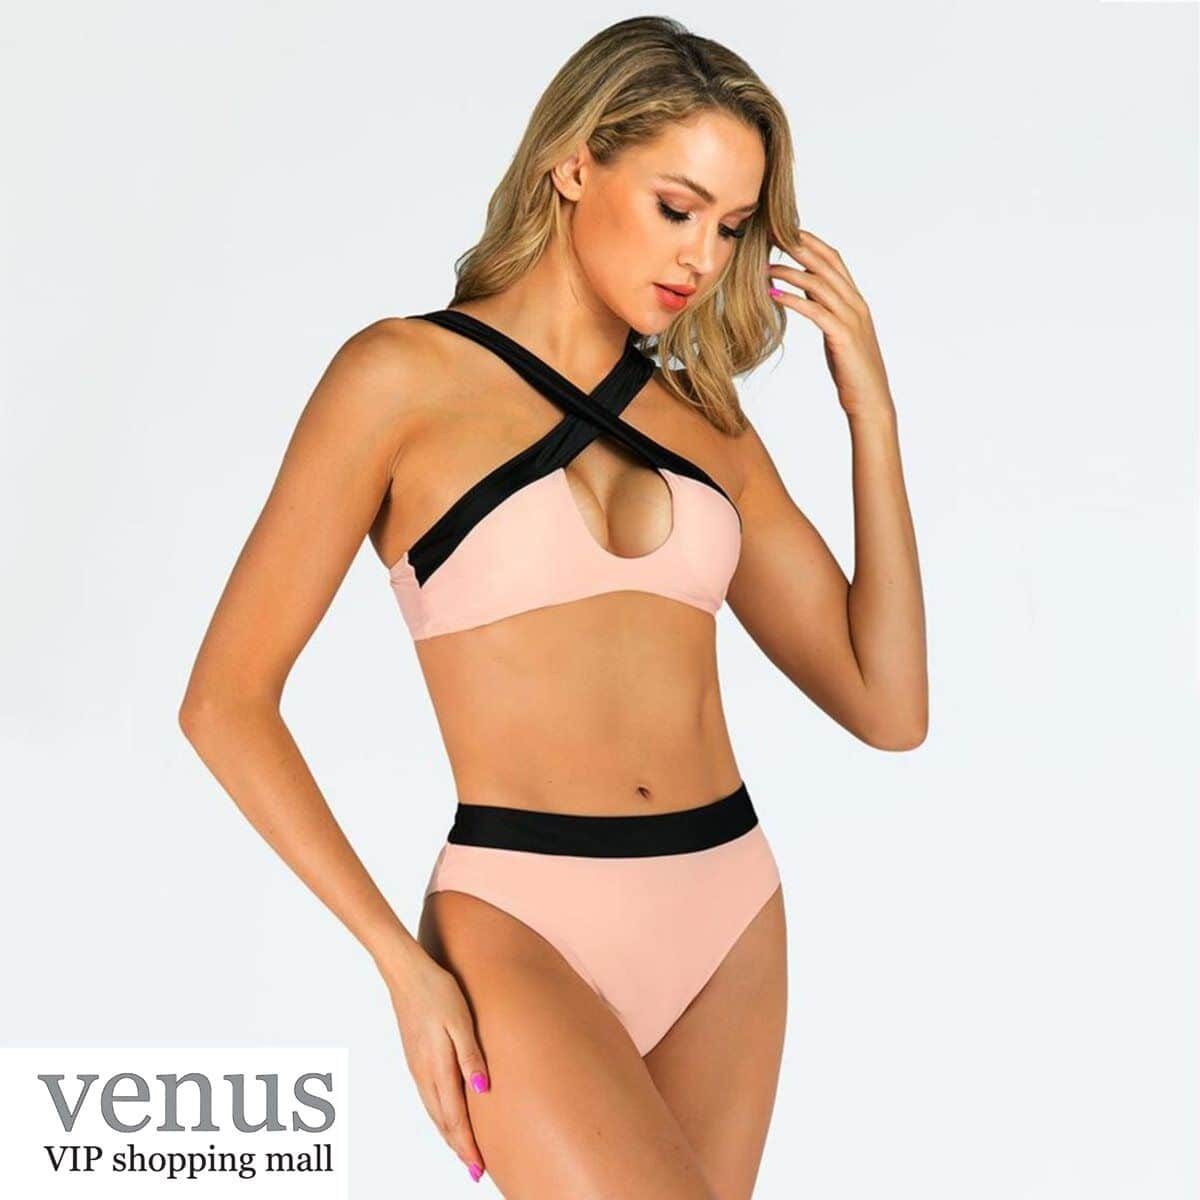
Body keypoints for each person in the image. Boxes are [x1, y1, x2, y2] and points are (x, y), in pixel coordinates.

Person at [179, 15, 927, 1198]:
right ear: (575, 164)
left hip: (728, 912)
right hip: (521, 919)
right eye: (677, 208)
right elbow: (225, 702)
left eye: (733, 228)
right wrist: (398, 963)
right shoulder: (398, 380)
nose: (702, 257)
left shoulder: (708, 424)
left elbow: (889, 705)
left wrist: (869, 415)